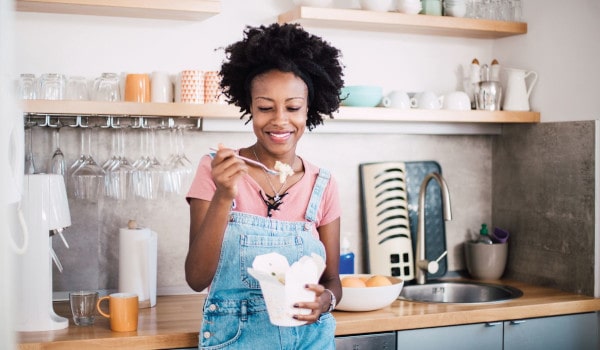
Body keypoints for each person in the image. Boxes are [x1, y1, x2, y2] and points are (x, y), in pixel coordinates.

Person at [185, 23, 345, 349]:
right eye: (266, 107)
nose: (280, 120)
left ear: (309, 109)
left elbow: (331, 280)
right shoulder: (217, 170)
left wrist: (326, 301)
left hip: (310, 341)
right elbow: (196, 278)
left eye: (293, 107)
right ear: (250, 108)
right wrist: (223, 196)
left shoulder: (322, 184)